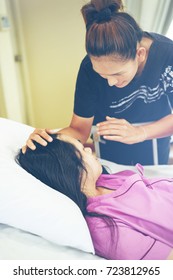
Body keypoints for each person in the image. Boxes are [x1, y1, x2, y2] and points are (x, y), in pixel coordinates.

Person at [23, 0, 173, 165]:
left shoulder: (167, 55)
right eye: (102, 74)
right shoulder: (88, 68)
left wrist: (141, 132)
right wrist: (47, 139)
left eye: (118, 73)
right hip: (108, 134)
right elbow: (79, 130)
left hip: (154, 129)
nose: (110, 82)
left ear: (140, 54)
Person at [17, 133, 173, 260]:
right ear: (69, 169)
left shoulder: (104, 180)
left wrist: (43, 143)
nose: (89, 150)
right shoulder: (104, 228)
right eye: (82, 150)